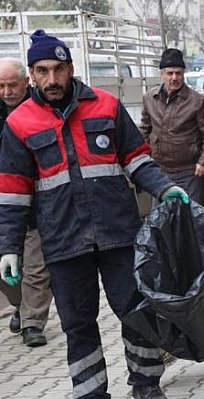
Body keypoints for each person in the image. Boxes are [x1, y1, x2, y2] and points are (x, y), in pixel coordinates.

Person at [0, 29, 190, 399]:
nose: (51, 79)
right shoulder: (19, 124)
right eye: (42, 71)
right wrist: (10, 247)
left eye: (58, 69)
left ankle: (146, 385)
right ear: (32, 74)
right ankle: (90, 393)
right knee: (78, 323)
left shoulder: (105, 105)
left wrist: (164, 187)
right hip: (63, 241)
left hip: (118, 233)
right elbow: (12, 192)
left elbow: (136, 158)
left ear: (71, 68)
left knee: (137, 310)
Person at [0, 57, 52, 347]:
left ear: (26, 82)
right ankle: (20, 304)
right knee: (7, 265)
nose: (7, 91)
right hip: (2, 201)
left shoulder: (39, 110)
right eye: (1, 86)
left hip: (35, 202)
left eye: (12, 85)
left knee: (35, 265)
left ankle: (33, 323)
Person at [139, 48, 204, 206]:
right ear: (162, 74)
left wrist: (203, 162)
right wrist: (144, 160)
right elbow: (144, 130)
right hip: (160, 171)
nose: (174, 78)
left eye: (178, 73)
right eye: (170, 73)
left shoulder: (197, 101)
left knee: (191, 220)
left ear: (183, 74)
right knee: (161, 219)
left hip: (190, 172)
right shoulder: (150, 98)